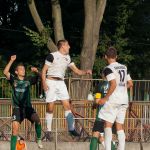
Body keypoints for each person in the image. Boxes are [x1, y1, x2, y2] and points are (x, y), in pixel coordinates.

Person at [41, 39, 92, 138]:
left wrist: (86, 72)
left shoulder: (68, 58)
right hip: (50, 82)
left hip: (61, 82)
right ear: (62, 46)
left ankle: (71, 129)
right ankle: (48, 130)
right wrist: (44, 83)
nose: (69, 47)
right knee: (50, 107)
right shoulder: (52, 56)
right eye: (67, 45)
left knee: (67, 106)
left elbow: (77, 71)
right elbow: (44, 70)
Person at [3, 55, 43, 150]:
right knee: (15, 130)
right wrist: (11, 60)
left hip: (28, 108)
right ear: (16, 72)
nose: (23, 70)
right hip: (17, 108)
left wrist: (37, 71)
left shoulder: (28, 79)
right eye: (21, 69)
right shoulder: (13, 80)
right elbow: (5, 72)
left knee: (37, 120)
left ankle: (39, 139)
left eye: (24, 69)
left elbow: (42, 77)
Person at [96, 47, 133, 150]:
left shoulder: (108, 69)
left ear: (105, 57)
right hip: (124, 100)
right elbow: (130, 83)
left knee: (107, 125)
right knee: (119, 127)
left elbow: (113, 84)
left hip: (113, 100)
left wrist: (105, 98)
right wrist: (121, 88)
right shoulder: (124, 67)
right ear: (116, 56)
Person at [90, 79, 116, 150]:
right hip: (112, 114)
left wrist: (94, 105)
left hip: (101, 115)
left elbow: (97, 101)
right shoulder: (115, 85)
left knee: (95, 134)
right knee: (111, 136)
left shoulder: (100, 85)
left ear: (103, 75)